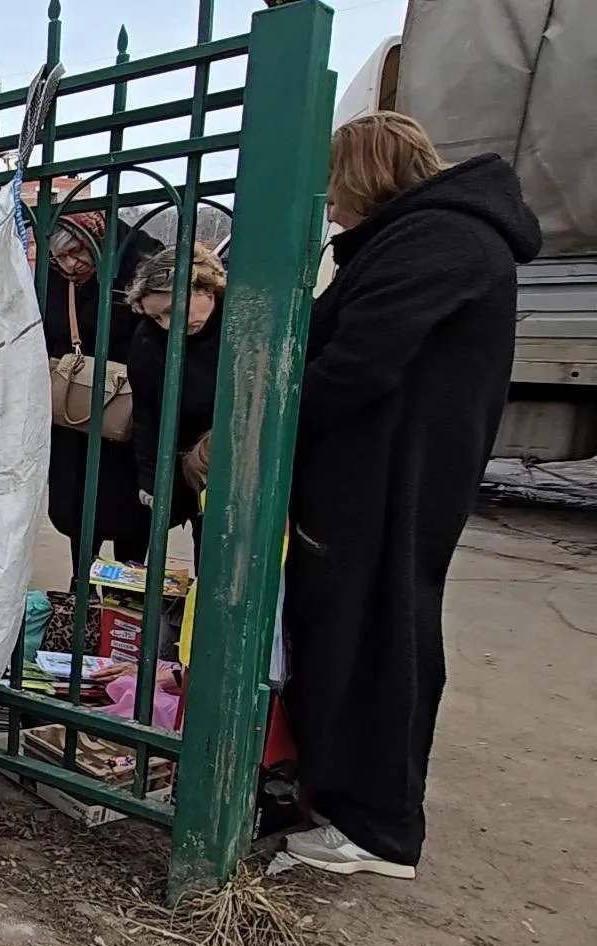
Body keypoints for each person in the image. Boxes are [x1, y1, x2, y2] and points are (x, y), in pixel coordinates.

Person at [282, 112, 541, 879]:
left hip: (388, 482)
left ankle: (379, 826)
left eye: (335, 184)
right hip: (382, 474)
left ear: (366, 175)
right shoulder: (432, 236)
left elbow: (357, 364)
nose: (329, 203)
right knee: (352, 631)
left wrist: (264, 429)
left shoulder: (441, 240)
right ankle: (343, 796)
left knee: (378, 635)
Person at [37, 210, 162, 580]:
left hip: (130, 409)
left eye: (77, 251)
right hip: (75, 413)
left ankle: (128, 591)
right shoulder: (54, 278)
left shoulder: (141, 262)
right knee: (80, 506)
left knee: (131, 513)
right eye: (59, 257)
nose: (70, 265)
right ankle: (83, 588)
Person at [123, 243, 228, 564]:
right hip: (179, 456)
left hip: (230, 463)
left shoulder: (242, 323)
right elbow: (146, 414)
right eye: (156, 316)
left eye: (171, 310)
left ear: (205, 288)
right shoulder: (148, 339)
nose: (168, 325)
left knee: (215, 555)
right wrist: (150, 480)